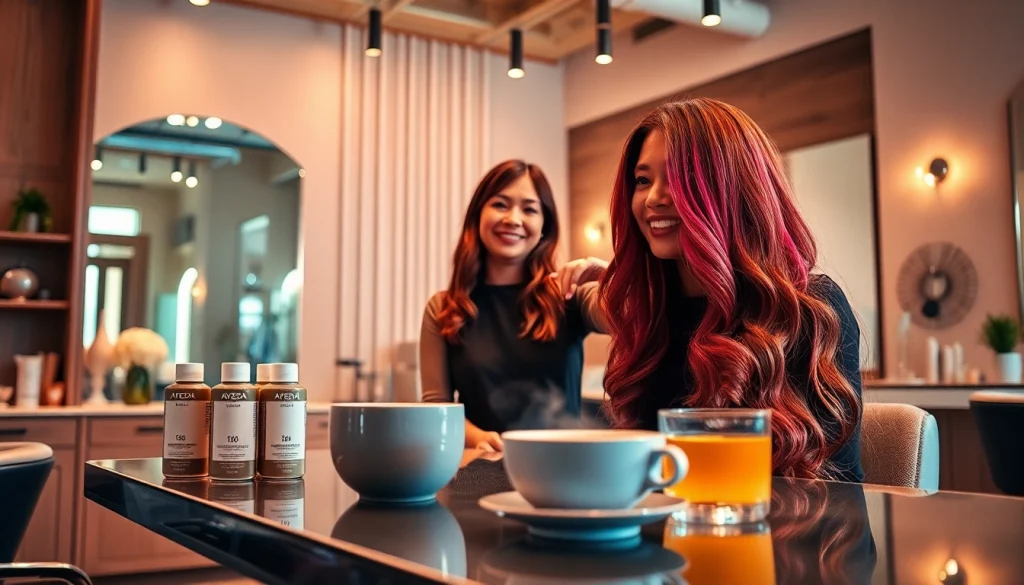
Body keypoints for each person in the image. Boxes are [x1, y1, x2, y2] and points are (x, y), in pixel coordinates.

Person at [555, 98, 864, 482]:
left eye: (680, 178)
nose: (654, 198)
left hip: (780, 521)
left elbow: (840, 494)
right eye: (643, 180)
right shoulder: (653, 314)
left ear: (736, 188)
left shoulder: (808, 310)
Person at [420, 160, 602, 451]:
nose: (513, 219)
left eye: (529, 209)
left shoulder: (569, 294)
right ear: (478, 215)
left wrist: (612, 278)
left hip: (563, 464)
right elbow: (436, 408)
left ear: (544, 226)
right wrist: (479, 438)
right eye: (500, 205)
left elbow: (632, 319)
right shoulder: (443, 307)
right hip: (481, 465)